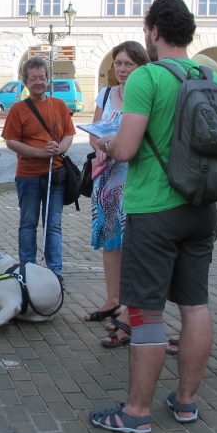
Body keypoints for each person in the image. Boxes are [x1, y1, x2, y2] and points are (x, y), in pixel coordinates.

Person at [89, 0, 217, 433]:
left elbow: (127, 148)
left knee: (147, 313)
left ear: (153, 31)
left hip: (154, 209)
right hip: (202, 208)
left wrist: (106, 144)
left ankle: (136, 411)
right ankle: (187, 402)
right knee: (195, 306)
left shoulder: (147, 78)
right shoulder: (216, 80)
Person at [85, 42, 150, 349]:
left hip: (134, 179)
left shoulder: (145, 94)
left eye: (129, 64)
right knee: (111, 242)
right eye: (119, 64)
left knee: (131, 244)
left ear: (141, 66)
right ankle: (112, 299)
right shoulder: (107, 94)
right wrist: (100, 145)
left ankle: (128, 305)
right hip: (107, 178)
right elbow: (94, 133)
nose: (122, 69)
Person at [2, 57, 75, 281]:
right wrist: (40, 153)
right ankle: (28, 270)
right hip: (28, 176)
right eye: (33, 79)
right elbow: (11, 142)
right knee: (28, 224)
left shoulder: (59, 105)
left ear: (47, 79)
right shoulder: (18, 109)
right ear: (25, 82)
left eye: (42, 78)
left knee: (53, 225)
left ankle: (55, 272)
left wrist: (59, 149)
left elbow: (68, 134)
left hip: (56, 174)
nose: (38, 82)